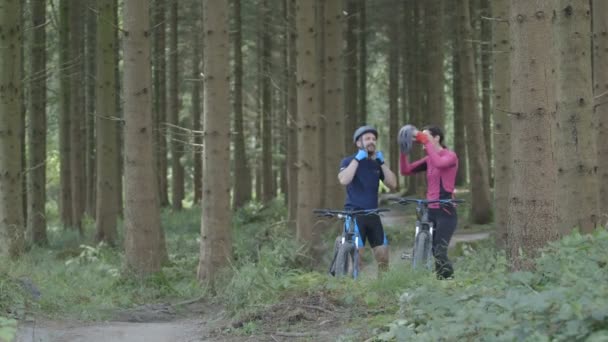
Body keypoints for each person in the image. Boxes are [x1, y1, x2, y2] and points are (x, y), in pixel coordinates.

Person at [399, 125, 459, 279]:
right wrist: (403, 153)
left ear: (437, 138)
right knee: (429, 249)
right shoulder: (429, 159)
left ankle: (448, 281)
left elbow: (439, 163)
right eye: (421, 137)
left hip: (446, 211)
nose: (421, 140)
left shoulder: (450, 156)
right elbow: (405, 170)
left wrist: (425, 142)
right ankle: (430, 280)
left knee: (439, 251)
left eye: (425, 136)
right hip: (429, 210)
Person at [338, 125, 397, 274]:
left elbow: (393, 184)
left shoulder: (377, 163)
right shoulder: (348, 161)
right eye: (367, 139)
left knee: (383, 257)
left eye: (373, 139)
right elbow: (344, 180)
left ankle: (383, 291)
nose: (371, 141)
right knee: (356, 259)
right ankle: (352, 290)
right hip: (354, 215)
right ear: (358, 143)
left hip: (373, 215)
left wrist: (382, 163)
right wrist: (357, 159)